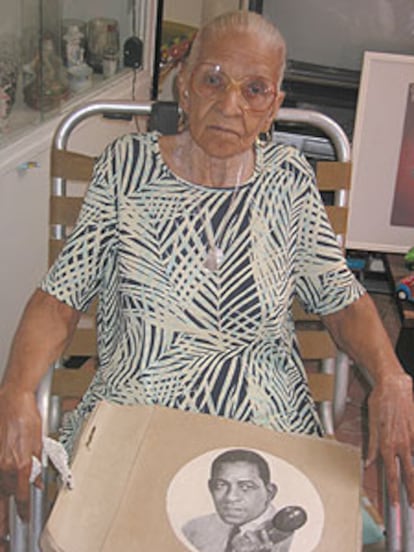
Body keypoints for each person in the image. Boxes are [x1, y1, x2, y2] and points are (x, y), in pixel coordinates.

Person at [0, 9, 413, 530]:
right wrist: (15, 391)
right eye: (213, 79)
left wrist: (393, 379)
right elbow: (59, 300)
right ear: (185, 89)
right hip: (136, 418)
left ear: (273, 109)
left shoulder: (288, 182)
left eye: (255, 89)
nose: (230, 104)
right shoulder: (125, 169)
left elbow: (342, 300)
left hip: (268, 426)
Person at [182, 448, 306, 552]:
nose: (231, 497)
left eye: (246, 487)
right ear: (210, 487)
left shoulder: (297, 542)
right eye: (220, 485)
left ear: (269, 492)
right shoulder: (194, 529)